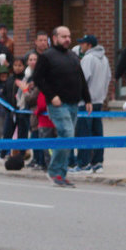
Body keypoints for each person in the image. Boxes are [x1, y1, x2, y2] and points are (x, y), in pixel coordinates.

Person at [31, 25, 91, 187]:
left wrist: (87, 99)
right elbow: (38, 79)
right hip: (58, 104)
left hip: (73, 102)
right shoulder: (47, 56)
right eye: (64, 37)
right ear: (55, 38)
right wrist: (52, 96)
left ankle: (61, 174)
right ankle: (54, 170)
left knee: (68, 139)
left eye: (69, 36)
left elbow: (81, 78)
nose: (67, 40)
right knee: (67, 133)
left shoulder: (72, 56)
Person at [75, 34, 111, 173]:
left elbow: (82, 80)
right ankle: (97, 161)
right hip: (98, 100)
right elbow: (108, 78)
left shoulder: (88, 59)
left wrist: (80, 97)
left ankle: (84, 163)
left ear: (89, 45)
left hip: (86, 101)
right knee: (97, 131)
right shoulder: (104, 59)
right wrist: (102, 95)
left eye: (82, 44)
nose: (81, 46)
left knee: (83, 131)